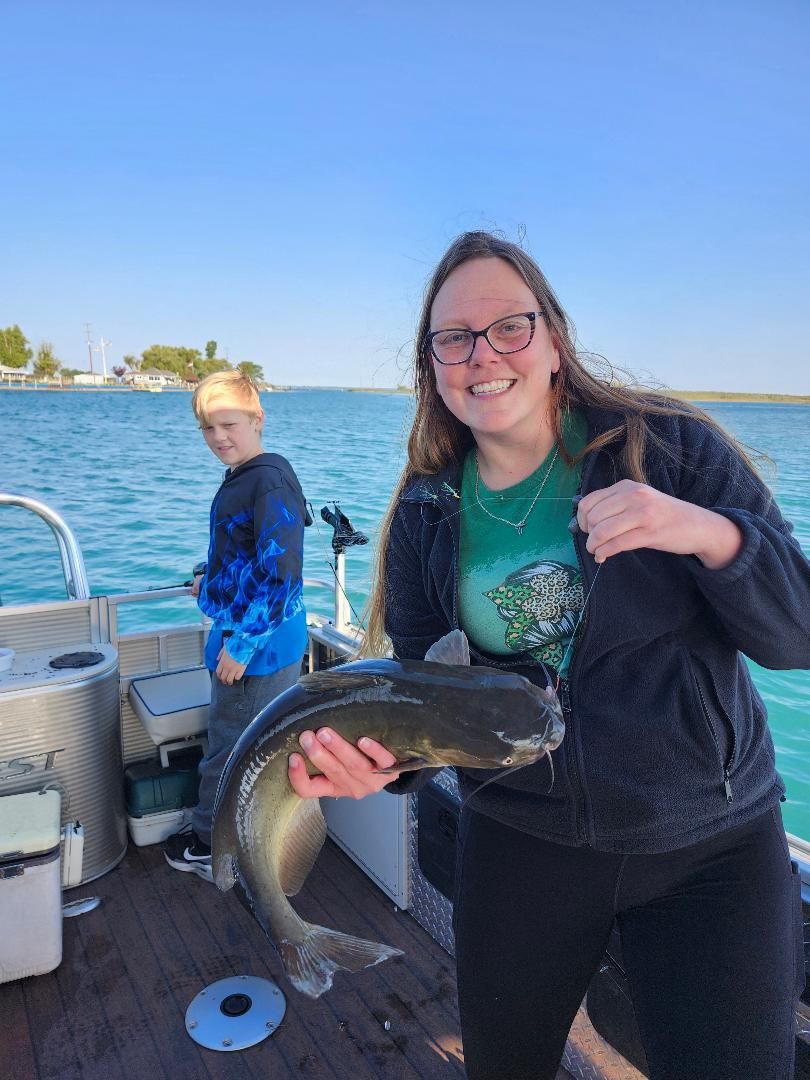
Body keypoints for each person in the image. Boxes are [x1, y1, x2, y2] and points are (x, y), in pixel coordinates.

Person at [287, 231, 810, 1080]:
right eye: (452, 338)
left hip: (710, 842)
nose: (481, 354)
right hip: (520, 838)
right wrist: (378, 767)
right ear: (431, 365)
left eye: (509, 328)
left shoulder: (666, 449)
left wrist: (704, 532)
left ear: (554, 342)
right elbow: (427, 700)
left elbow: (797, 632)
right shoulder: (427, 512)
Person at [164, 369, 309, 881]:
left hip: (258, 649)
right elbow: (245, 552)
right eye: (208, 428)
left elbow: (282, 575)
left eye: (228, 424)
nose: (218, 437)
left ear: (257, 419)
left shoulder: (267, 480)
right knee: (238, 744)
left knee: (230, 747)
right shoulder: (245, 477)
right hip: (247, 636)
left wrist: (242, 647)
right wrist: (208, 578)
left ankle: (210, 844)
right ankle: (238, 836)